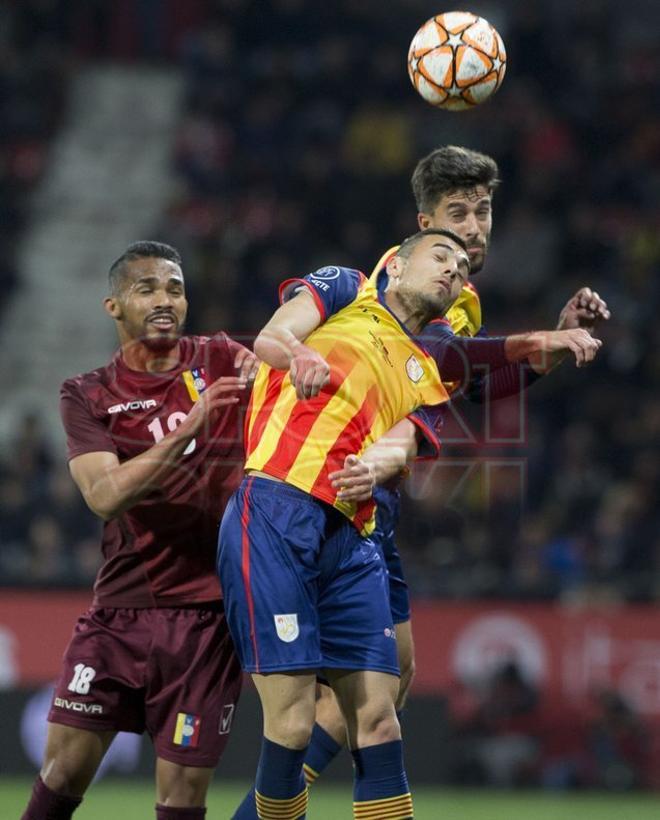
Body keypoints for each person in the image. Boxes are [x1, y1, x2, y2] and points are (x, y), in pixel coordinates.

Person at [220, 228, 601, 820]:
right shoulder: (344, 290)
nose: (452, 269)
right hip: (276, 509)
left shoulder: (431, 371)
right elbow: (274, 335)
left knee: (378, 717)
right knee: (292, 726)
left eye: (459, 265)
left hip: (355, 535)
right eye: (438, 256)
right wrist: (299, 354)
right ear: (394, 266)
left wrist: (371, 467)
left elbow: (406, 442)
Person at [289, 145, 611, 793]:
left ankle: (274, 797)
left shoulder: (460, 291)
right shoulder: (415, 277)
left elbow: (466, 381)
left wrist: (545, 342)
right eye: (456, 212)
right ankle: (268, 804)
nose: (472, 226)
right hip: (343, 485)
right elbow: (441, 353)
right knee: (370, 704)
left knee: (394, 676)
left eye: (483, 211)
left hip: (374, 494)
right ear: (422, 220)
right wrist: (537, 342)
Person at [21, 241, 256, 820]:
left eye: (174, 288)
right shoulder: (87, 393)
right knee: (62, 773)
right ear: (113, 306)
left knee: (180, 799)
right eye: (146, 288)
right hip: (120, 612)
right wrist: (188, 430)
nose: (164, 299)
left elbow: (288, 361)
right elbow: (104, 496)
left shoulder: (222, 357)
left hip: (207, 619)